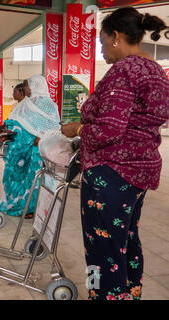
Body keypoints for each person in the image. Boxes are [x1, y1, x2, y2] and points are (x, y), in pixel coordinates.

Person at [61, 8, 168, 301]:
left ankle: (105, 296)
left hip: (110, 173)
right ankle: (130, 293)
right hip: (139, 172)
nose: (102, 49)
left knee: (101, 246)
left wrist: (79, 129)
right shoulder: (155, 70)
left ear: (117, 37)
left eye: (102, 42)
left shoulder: (123, 71)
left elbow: (109, 129)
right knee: (127, 238)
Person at [0, 75, 61, 218]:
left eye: (27, 85)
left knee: (33, 179)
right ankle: (15, 204)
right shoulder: (26, 103)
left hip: (36, 150)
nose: (25, 88)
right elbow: (18, 121)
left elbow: (54, 126)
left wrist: (41, 137)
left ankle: (30, 208)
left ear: (35, 85)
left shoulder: (48, 105)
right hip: (19, 148)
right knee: (13, 176)